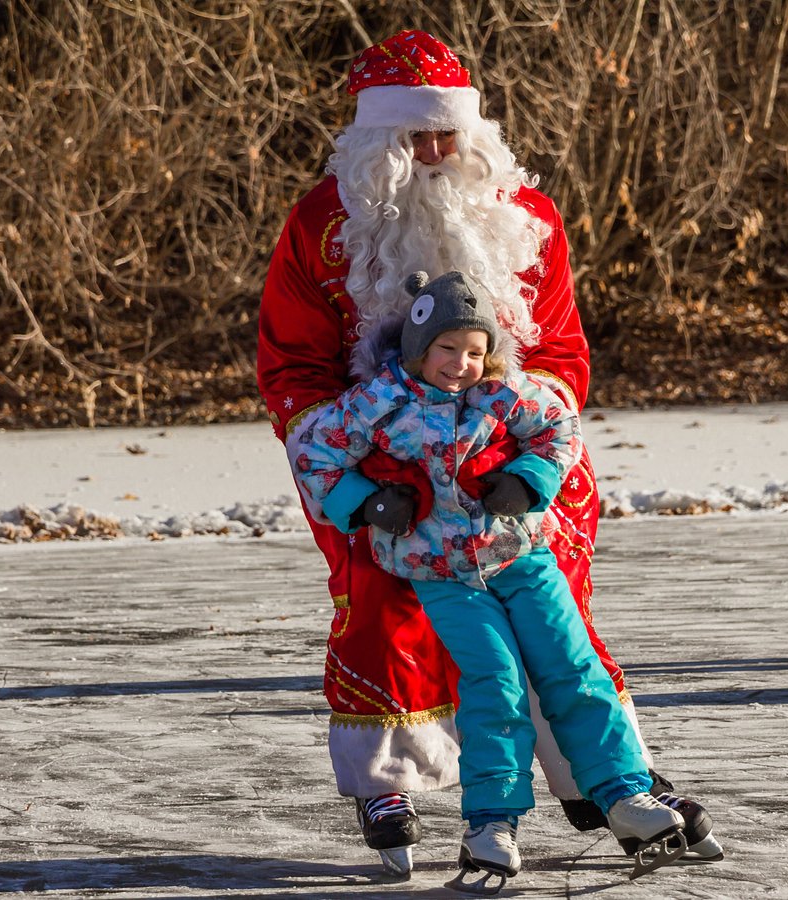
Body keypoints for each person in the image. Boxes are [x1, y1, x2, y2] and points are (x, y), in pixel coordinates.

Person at [256, 29, 721, 876]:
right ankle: (387, 776)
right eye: (414, 137)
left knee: (557, 631)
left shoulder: (527, 219)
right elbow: (292, 366)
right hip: (392, 469)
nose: (435, 154)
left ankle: (604, 777)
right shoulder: (323, 226)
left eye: (448, 135)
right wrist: (352, 479)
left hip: (514, 468)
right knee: (388, 615)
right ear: (373, 141)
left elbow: (562, 352)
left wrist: (536, 459)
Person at [292, 270, 689, 890]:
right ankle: (491, 822)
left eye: (475, 351)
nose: (461, 364)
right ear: (419, 348)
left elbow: (560, 428)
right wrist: (366, 502)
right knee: (495, 684)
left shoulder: (504, 393)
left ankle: (625, 795)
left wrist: (528, 478)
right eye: (447, 349)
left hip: (523, 556)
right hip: (441, 574)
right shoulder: (378, 403)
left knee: (573, 667)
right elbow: (314, 453)